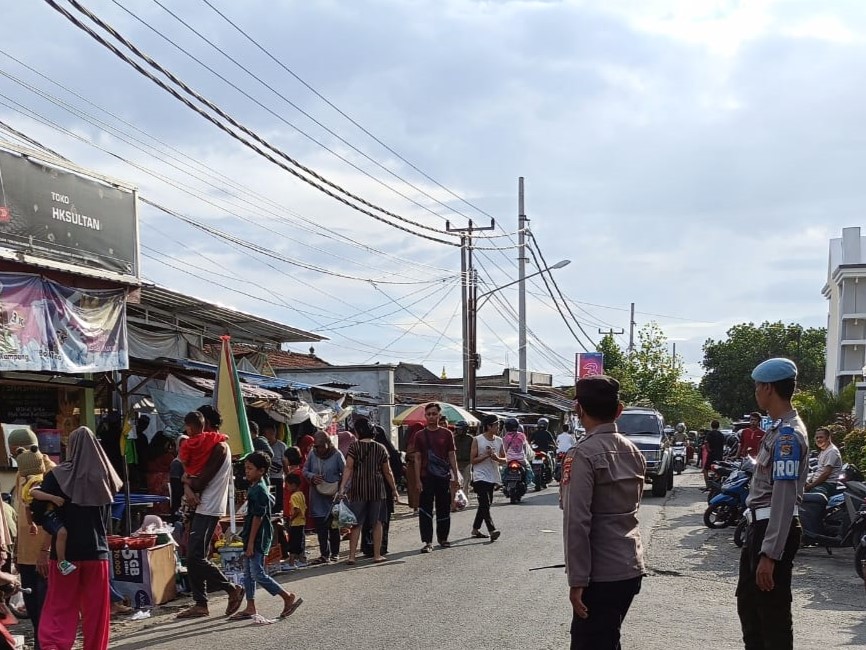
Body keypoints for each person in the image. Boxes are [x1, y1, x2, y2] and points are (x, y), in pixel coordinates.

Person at [563, 376, 646, 650]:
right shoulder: (634, 452)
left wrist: (577, 580)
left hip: (598, 574)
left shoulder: (582, 454)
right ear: (619, 410)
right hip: (629, 566)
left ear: (579, 410)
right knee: (608, 638)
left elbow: (577, 521)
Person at [737, 358, 809, 649]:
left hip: (772, 528)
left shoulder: (789, 436)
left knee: (772, 615)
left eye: (757, 386)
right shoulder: (778, 430)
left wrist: (770, 553)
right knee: (750, 607)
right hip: (761, 525)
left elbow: (783, 496)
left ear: (768, 388)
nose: (756, 391)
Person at [34, 426, 123, 650]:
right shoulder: (105, 474)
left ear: (70, 447)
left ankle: (54, 646)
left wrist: (49, 541)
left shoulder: (57, 475)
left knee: (60, 606)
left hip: (66, 555)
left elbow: (39, 512)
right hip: (97, 553)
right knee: (96, 613)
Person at [176, 411, 245, 620]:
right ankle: (200, 603)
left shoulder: (219, 447)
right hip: (202, 506)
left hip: (210, 507)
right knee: (195, 556)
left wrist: (187, 483)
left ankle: (231, 589)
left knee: (195, 556)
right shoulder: (206, 448)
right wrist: (187, 484)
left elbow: (198, 481)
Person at [229, 451, 302, 621]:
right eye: (246, 468)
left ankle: (286, 596)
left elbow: (258, 517)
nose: (246, 471)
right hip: (251, 535)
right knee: (247, 573)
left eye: (250, 468)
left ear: (261, 471)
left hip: (259, 536)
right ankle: (250, 606)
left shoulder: (260, 490)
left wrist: (250, 543)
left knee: (257, 573)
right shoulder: (255, 486)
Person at [337, 421, 398, 564]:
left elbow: (348, 468)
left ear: (358, 432)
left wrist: (342, 488)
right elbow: (387, 472)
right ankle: (377, 555)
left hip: (359, 488)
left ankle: (352, 556)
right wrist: (394, 489)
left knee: (357, 523)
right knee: (377, 522)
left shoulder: (354, 447)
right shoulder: (381, 447)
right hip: (377, 488)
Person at [18, 446, 74, 576]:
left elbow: (27, 507)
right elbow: (35, 493)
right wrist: (53, 498)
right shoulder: (35, 480)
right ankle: (62, 562)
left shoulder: (25, 482)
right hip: (48, 514)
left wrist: (31, 523)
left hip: (41, 516)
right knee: (62, 533)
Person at [413, 403, 460, 554]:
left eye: (434, 414)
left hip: (443, 476)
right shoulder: (419, 435)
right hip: (426, 477)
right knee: (425, 510)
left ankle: (443, 538)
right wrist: (417, 480)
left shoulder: (447, 434)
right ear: (425, 416)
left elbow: (452, 455)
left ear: (439, 416)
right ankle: (427, 541)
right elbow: (417, 458)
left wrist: (456, 475)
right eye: (429, 414)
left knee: (444, 508)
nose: (432, 417)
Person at [302, 431, 345, 564]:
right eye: (316, 446)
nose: (318, 449)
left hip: (333, 497)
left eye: (321, 446)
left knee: (334, 527)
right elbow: (305, 470)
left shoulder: (337, 455)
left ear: (328, 443)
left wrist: (341, 490)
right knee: (320, 527)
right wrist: (312, 477)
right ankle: (324, 554)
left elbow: (346, 473)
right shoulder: (312, 455)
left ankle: (335, 553)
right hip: (317, 496)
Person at [469, 414, 505, 541]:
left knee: (486, 504)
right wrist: (485, 455)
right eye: (496, 425)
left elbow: (504, 459)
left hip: (492, 476)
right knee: (484, 502)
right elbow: (473, 460)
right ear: (489, 426)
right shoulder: (477, 440)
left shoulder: (499, 440)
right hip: (479, 476)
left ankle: (475, 529)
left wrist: (497, 458)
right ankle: (492, 529)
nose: (498, 427)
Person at [805, 427, 842, 496]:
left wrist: (811, 486)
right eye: (817, 438)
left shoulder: (832, 451)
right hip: (820, 483)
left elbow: (826, 473)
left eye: (821, 437)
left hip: (827, 485)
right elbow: (819, 470)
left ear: (828, 438)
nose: (818, 440)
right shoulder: (824, 450)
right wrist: (809, 481)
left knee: (810, 499)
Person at [283, 473, 307, 569]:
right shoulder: (301, 494)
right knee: (299, 542)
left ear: (293, 485)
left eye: (287, 485)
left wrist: (291, 518)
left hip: (296, 523)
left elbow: (297, 510)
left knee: (293, 543)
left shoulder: (294, 496)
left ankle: (291, 563)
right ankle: (302, 560)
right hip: (301, 522)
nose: (287, 487)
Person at [263, 425, 287, 514]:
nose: (267, 436)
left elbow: (285, 463)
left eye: (269, 434)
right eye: (265, 434)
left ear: (274, 433)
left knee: (277, 502)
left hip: (278, 478)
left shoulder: (282, 446)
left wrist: (287, 476)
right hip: (266, 478)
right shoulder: (264, 446)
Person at [453, 421, 474, 496]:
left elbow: (473, 451)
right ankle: (457, 499)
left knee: (465, 483)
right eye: (458, 429)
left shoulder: (470, 439)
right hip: (456, 463)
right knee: (457, 483)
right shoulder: (454, 438)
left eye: (461, 429)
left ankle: (464, 500)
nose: (459, 431)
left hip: (467, 463)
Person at [703, 420, 726, 487]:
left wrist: (708, 450)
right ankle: (717, 484)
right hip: (719, 454)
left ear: (711, 426)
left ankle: (707, 485)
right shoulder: (721, 434)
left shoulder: (710, 433)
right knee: (718, 470)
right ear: (718, 426)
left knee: (705, 469)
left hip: (711, 454)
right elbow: (724, 444)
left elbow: (706, 442)